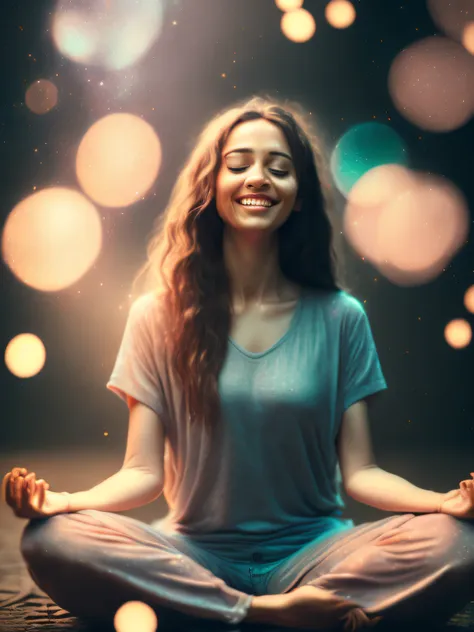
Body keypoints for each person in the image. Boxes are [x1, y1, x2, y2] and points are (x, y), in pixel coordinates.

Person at [3, 95, 474, 632]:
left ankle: (229, 610)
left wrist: (444, 502)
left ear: (299, 197)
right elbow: (141, 472)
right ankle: (262, 614)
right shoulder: (155, 315)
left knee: (459, 544)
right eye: (238, 164)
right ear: (212, 184)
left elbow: (361, 472)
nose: (259, 178)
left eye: (279, 169)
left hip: (317, 555)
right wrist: (64, 502)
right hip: (191, 553)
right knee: (52, 539)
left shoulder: (341, 317)